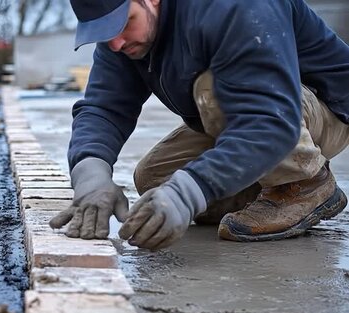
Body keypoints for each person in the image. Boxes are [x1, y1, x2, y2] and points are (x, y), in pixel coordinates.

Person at [49, 0, 349, 250]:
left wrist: (188, 193)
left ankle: (304, 184)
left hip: (317, 111)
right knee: (155, 180)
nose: (116, 41)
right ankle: (262, 183)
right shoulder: (122, 39)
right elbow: (103, 108)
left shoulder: (232, 6)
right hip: (251, 113)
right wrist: (91, 176)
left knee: (212, 90)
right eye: (104, 33)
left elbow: (269, 120)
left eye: (124, 23)